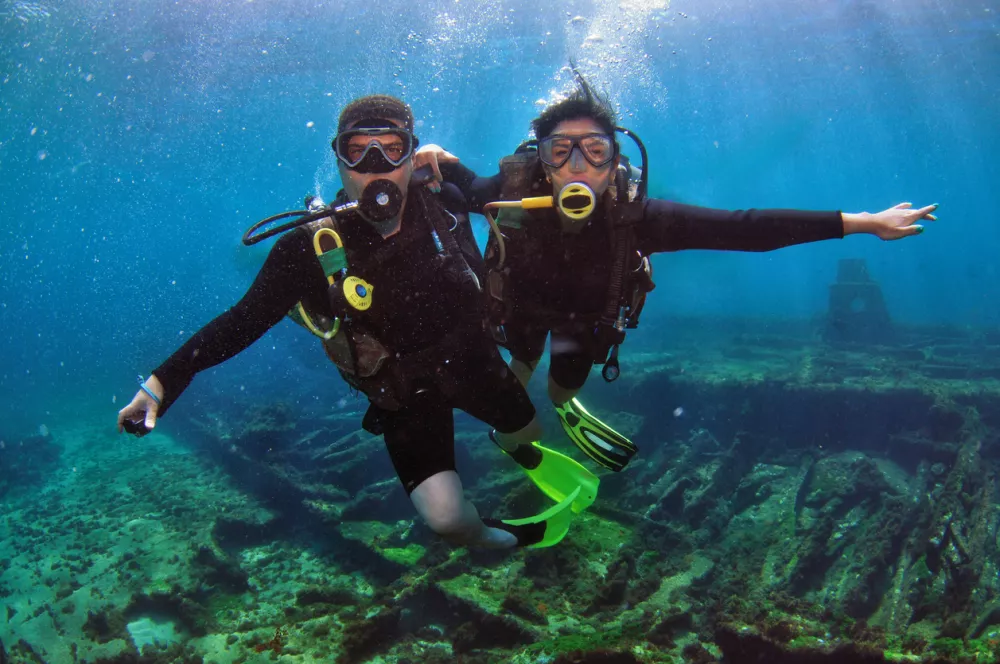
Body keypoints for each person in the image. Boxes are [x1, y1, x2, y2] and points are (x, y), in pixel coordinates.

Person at [116, 95, 601, 550]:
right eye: (358, 152)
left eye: (393, 151)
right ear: (339, 162)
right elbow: (242, 321)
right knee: (448, 521)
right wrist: (163, 382)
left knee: (528, 432)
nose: (376, 167)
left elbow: (524, 187)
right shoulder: (309, 248)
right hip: (403, 392)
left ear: (413, 156)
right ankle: (511, 539)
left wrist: (453, 162)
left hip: (474, 361)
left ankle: (517, 450)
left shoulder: (445, 198)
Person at [415, 70, 938, 473]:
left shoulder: (638, 219)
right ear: (542, 161)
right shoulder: (511, 198)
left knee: (561, 390)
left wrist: (865, 223)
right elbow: (462, 188)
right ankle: (516, 436)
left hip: (584, 322)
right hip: (521, 312)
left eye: (594, 151)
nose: (578, 166)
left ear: (613, 159)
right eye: (561, 151)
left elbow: (745, 229)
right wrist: (439, 159)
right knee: (517, 383)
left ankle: (564, 409)